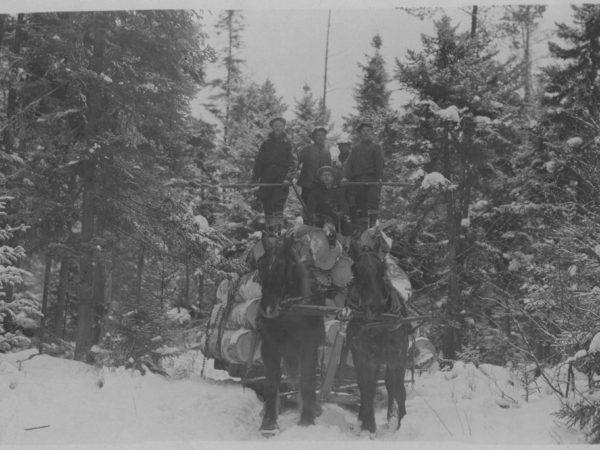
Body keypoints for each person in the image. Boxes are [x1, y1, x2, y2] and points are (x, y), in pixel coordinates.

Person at [252, 117, 297, 234]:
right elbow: (259, 161)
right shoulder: (266, 143)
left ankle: (278, 229)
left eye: (280, 126)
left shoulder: (288, 144)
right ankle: (270, 229)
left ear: (284, 127)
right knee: (266, 201)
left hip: (281, 177)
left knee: (277, 202)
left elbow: (293, 162)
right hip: (266, 176)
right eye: (276, 126)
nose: (278, 128)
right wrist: (255, 177)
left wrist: (288, 178)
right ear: (272, 127)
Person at [341, 122, 384, 230]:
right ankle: (364, 228)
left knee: (373, 199)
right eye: (363, 131)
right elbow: (348, 164)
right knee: (361, 204)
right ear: (360, 134)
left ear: (371, 133)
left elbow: (380, 164)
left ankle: (373, 224)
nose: (366, 133)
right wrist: (345, 177)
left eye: (368, 131)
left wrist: (379, 178)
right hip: (358, 181)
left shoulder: (376, 147)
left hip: (372, 180)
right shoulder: (355, 149)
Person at [307, 166, 350, 242]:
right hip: (321, 220)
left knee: (349, 229)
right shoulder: (315, 193)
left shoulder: (338, 192)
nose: (326, 177)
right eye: (324, 175)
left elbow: (344, 207)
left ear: (333, 178)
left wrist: (341, 214)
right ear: (320, 178)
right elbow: (311, 209)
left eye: (329, 175)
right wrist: (313, 216)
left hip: (337, 219)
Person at [297, 126, 332, 206]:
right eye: (318, 135)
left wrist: (329, 181)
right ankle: (307, 217)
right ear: (314, 137)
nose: (320, 137)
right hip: (308, 181)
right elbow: (297, 161)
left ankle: (319, 217)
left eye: (322, 135)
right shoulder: (307, 149)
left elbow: (329, 168)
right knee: (307, 200)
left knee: (320, 202)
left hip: (321, 182)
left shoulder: (327, 151)